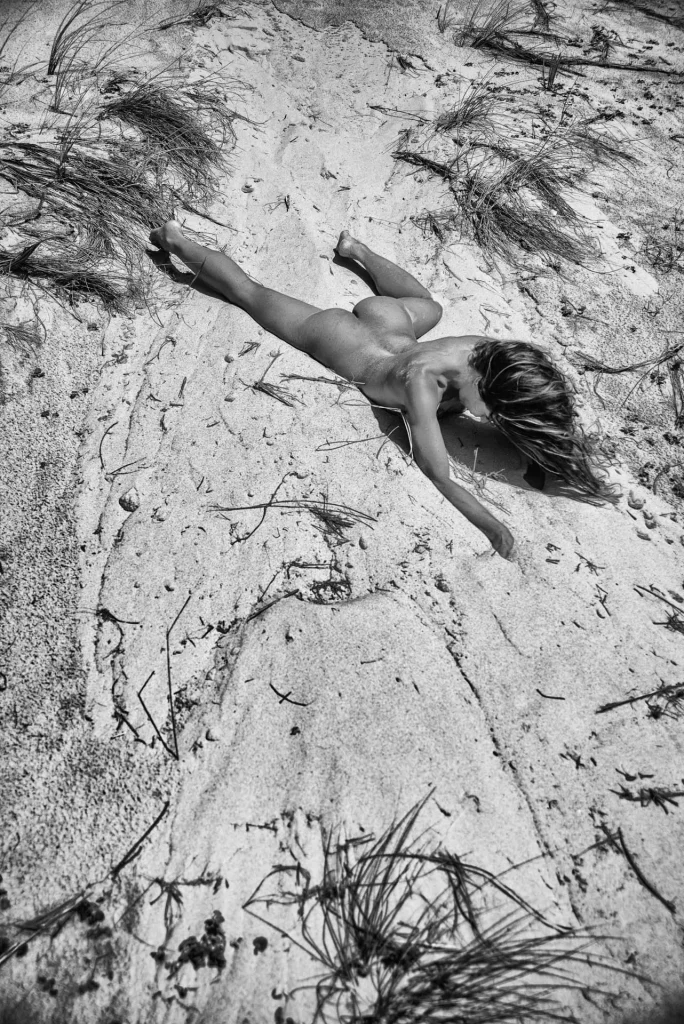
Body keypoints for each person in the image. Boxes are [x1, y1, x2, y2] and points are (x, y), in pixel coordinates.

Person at [149, 221, 615, 558]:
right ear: (482, 388)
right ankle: (175, 240)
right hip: (338, 337)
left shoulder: (483, 350)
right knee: (247, 293)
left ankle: (357, 250)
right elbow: (438, 473)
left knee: (428, 305)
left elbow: (524, 397)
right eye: (489, 411)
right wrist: (492, 526)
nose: (484, 418)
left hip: (392, 323)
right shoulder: (421, 388)